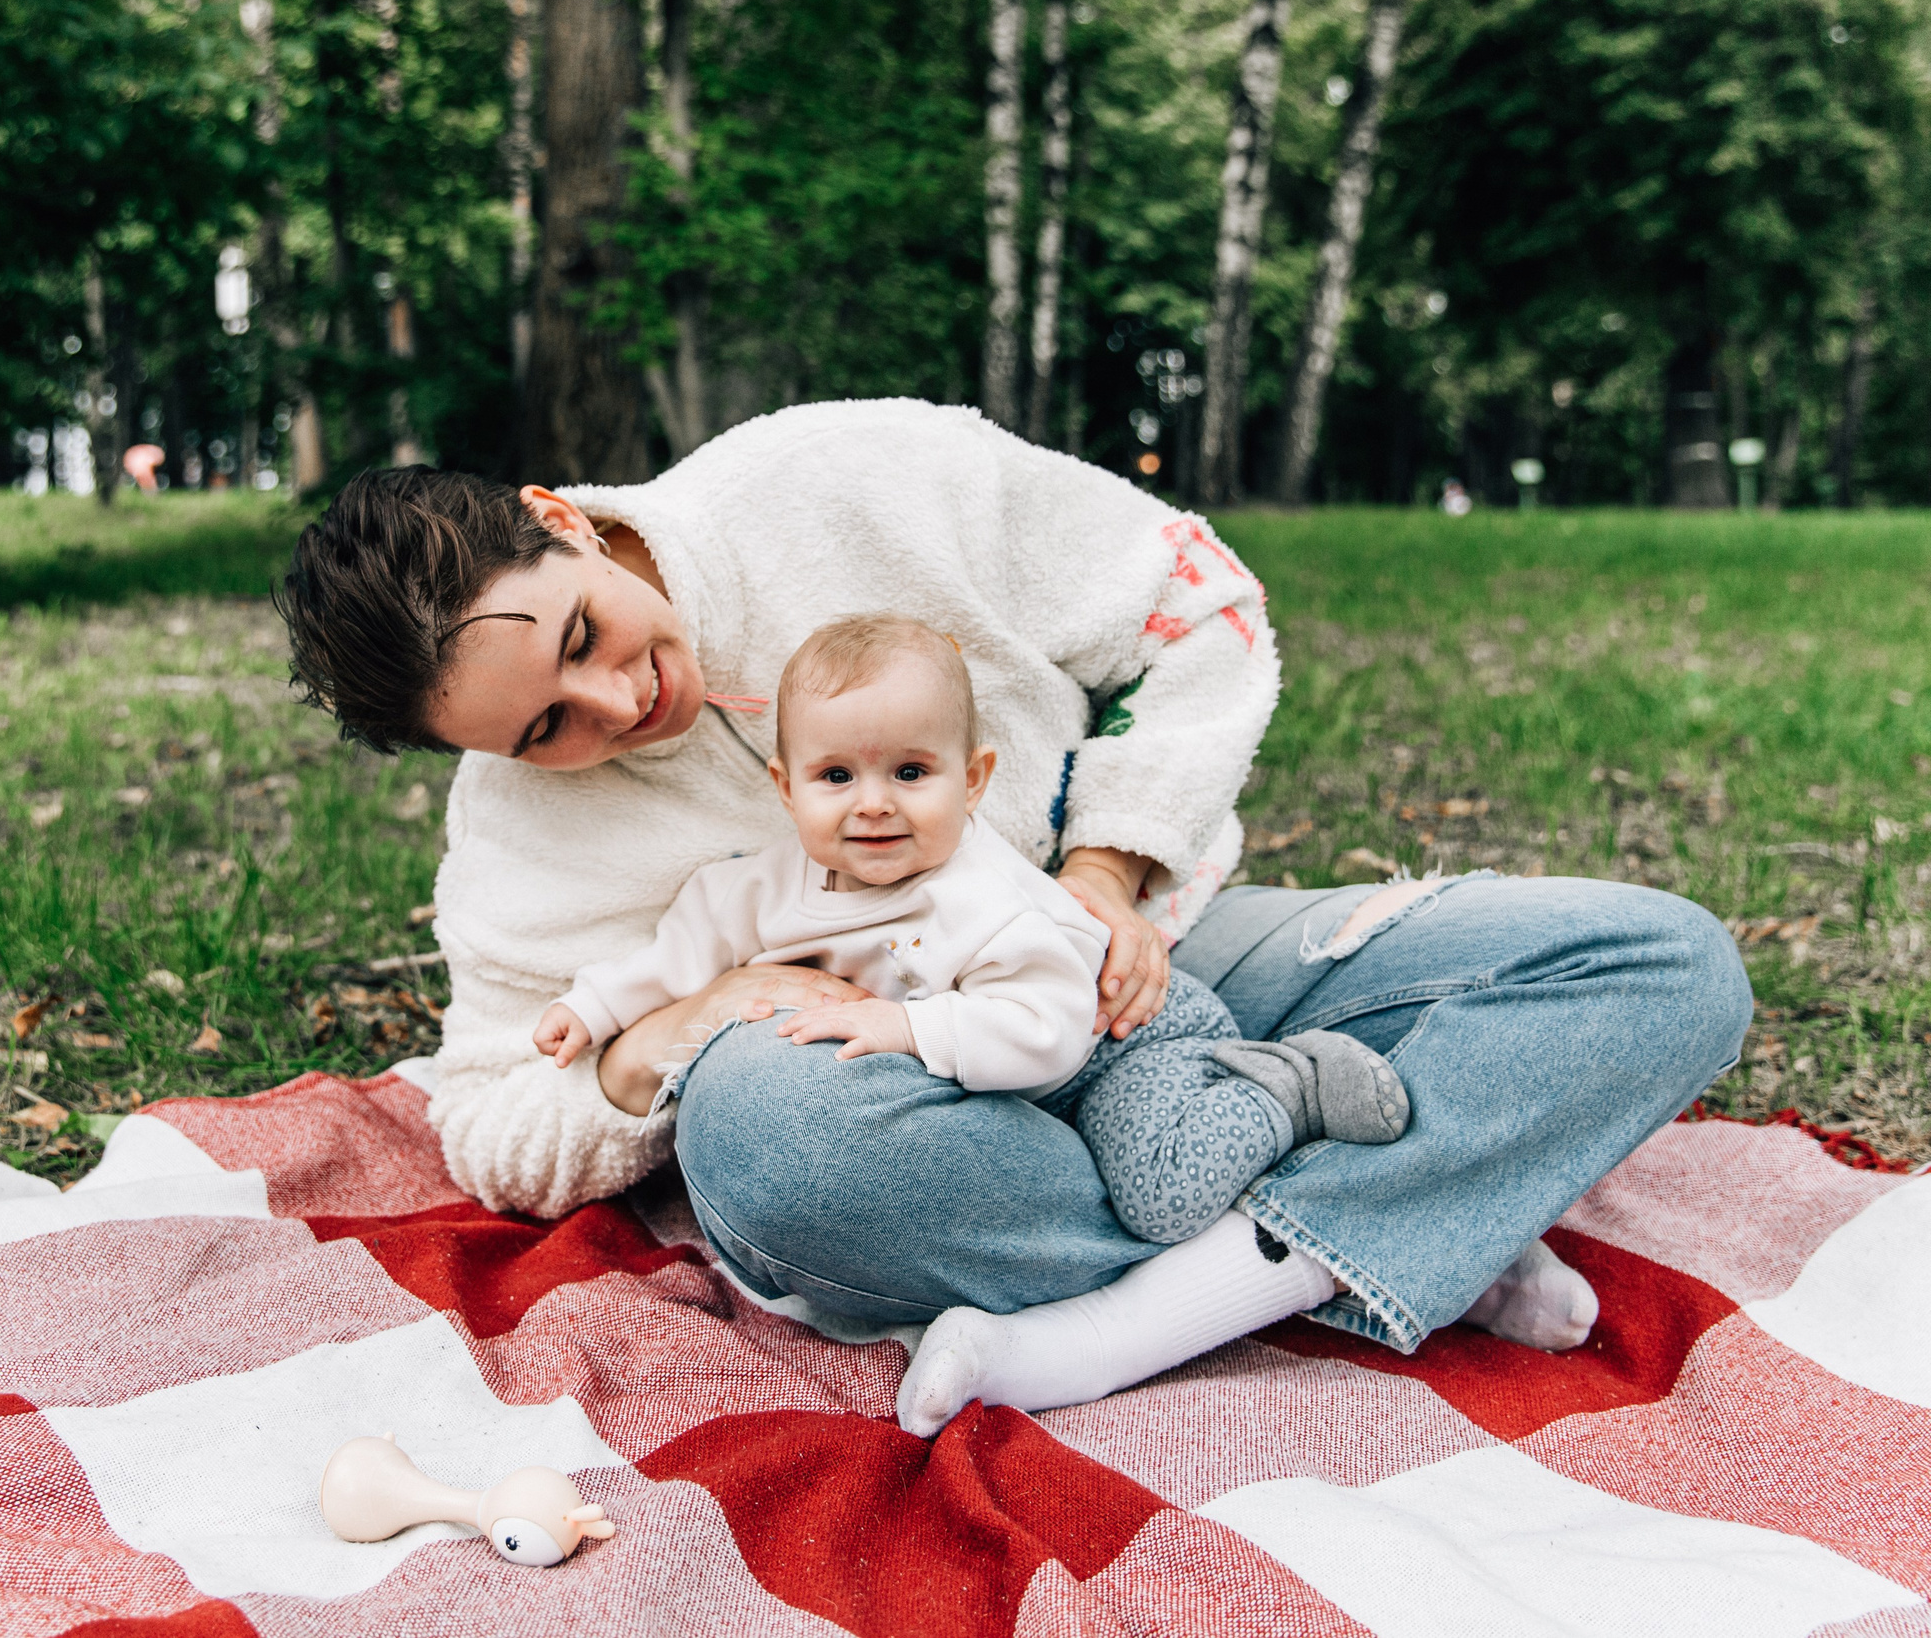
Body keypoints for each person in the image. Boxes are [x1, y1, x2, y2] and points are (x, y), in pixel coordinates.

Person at [275, 399, 1750, 1433]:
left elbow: (1196, 602)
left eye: (585, 636)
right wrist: (673, 1029)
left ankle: (1149, 1307)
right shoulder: (514, 838)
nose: (616, 701)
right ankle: (1389, 1218)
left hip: (1162, 980)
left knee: (1660, 963)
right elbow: (492, 1120)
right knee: (769, 1139)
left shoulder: (846, 471)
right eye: (543, 729)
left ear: (557, 520)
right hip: (912, 1102)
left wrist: (1111, 869)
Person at [536, 611, 1411, 1268]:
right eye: (836, 775)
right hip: (1014, 1089)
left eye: (911, 772)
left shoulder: (984, 895)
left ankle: (1282, 1087)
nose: (874, 803)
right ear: (786, 787)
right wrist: (594, 1007)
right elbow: (676, 960)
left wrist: (907, 1027)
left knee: (1161, 1191)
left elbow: (1046, 1028)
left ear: (974, 779)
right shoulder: (752, 889)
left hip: (1114, 1046)